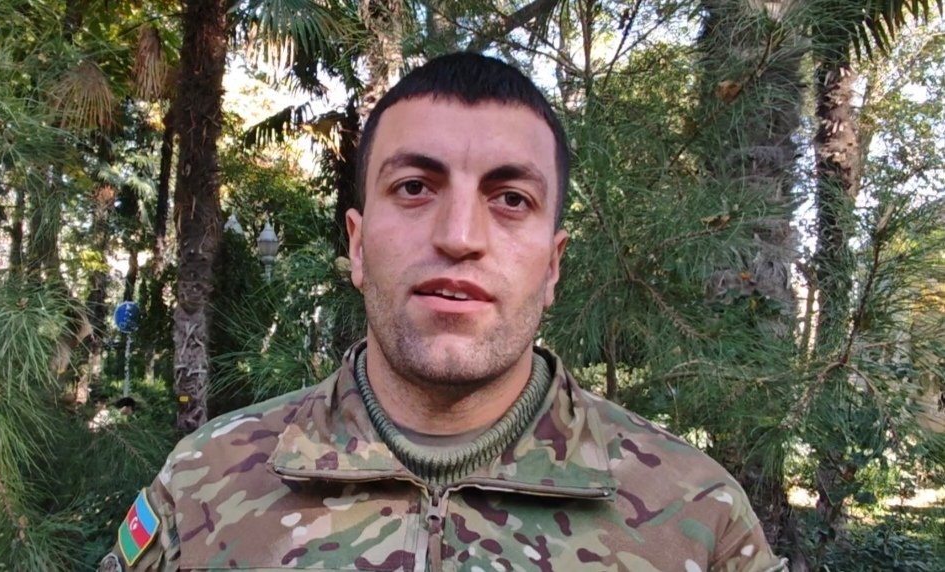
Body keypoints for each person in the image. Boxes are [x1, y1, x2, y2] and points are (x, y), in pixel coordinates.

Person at [100, 52, 787, 572]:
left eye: (510, 199)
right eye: (413, 187)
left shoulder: (696, 515)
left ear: (552, 265)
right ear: (358, 245)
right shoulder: (205, 485)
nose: (459, 236)